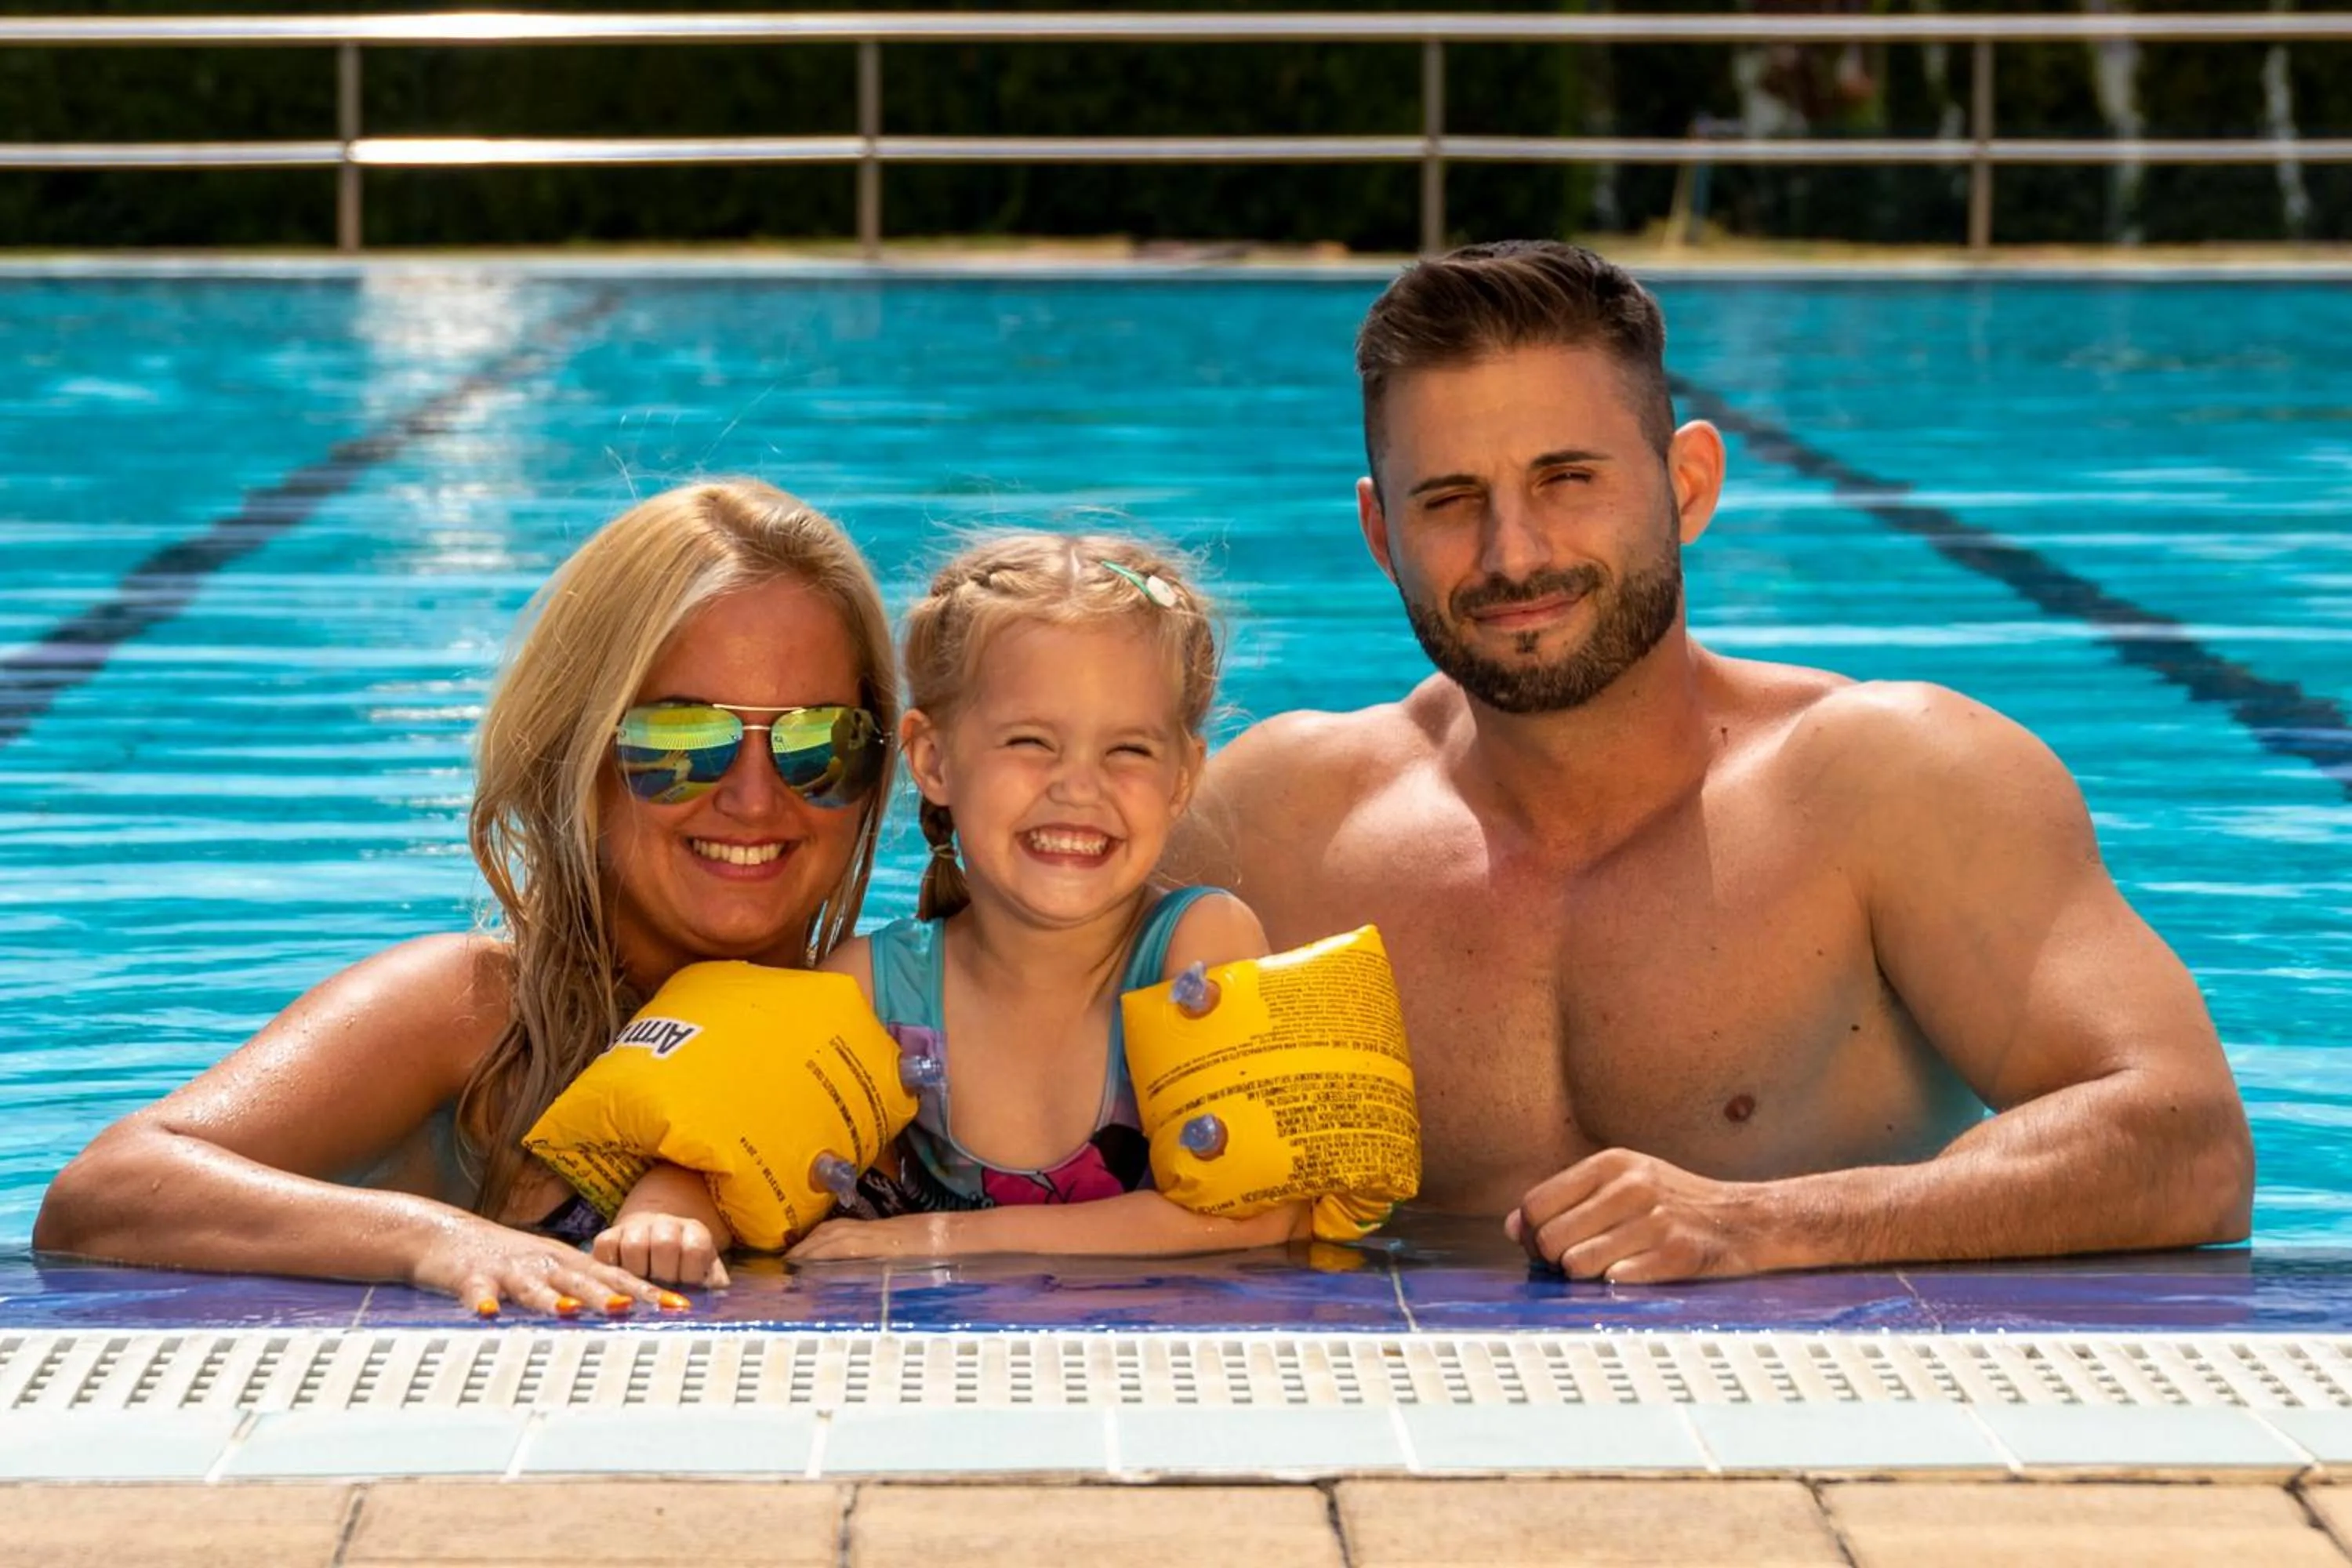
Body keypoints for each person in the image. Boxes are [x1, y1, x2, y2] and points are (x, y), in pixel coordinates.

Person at [1164, 241, 2255, 1283]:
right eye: (1450, 500)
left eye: (1567, 479)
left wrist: (1767, 1225)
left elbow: (2191, 1145)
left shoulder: (1890, 783)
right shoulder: (1278, 824)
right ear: (1379, 534)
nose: (1514, 553)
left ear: (1687, 484)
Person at [33, 479, 900, 1316]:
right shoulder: (476, 1017)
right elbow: (104, 1193)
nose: (753, 798)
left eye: (819, 742)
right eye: (681, 738)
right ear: (575, 751)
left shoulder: (921, 1027)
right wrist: (441, 1239)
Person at [602, 532, 1308, 1269]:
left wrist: (941, 1238)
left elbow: (1255, 1215)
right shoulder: (879, 989)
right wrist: (665, 1220)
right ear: (933, 760)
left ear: (1183, 778)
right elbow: (735, 1146)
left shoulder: (1196, 948)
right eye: (1031, 742)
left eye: (1128, 750)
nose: (1079, 786)